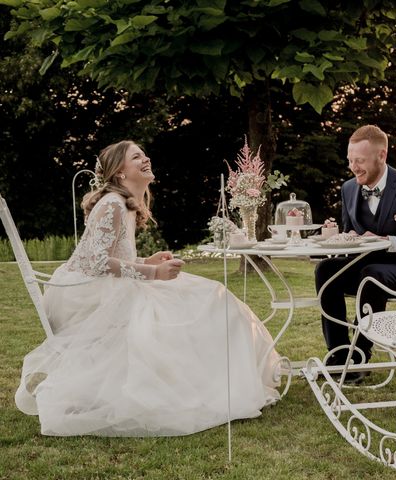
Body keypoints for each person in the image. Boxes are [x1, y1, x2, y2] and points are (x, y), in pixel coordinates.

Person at [15, 140, 280, 436]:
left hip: (107, 284)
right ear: (119, 172)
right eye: (136, 156)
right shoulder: (112, 204)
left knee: (211, 296)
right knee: (205, 300)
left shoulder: (124, 204)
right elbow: (95, 263)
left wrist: (145, 260)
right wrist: (152, 272)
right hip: (87, 295)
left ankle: (226, 381)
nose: (146, 158)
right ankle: (213, 385)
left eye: (144, 154)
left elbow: (115, 257)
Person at [315, 125, 396, 378]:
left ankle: (360, 358)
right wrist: (342, 237)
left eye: (360, 161)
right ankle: (338, 355)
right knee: (326, 270)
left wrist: (390, 240)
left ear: (382, 156)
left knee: (371, 273)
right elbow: (350, 232)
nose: (354, 167)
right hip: (368, 268)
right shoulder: (348, 188)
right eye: (351, 160)